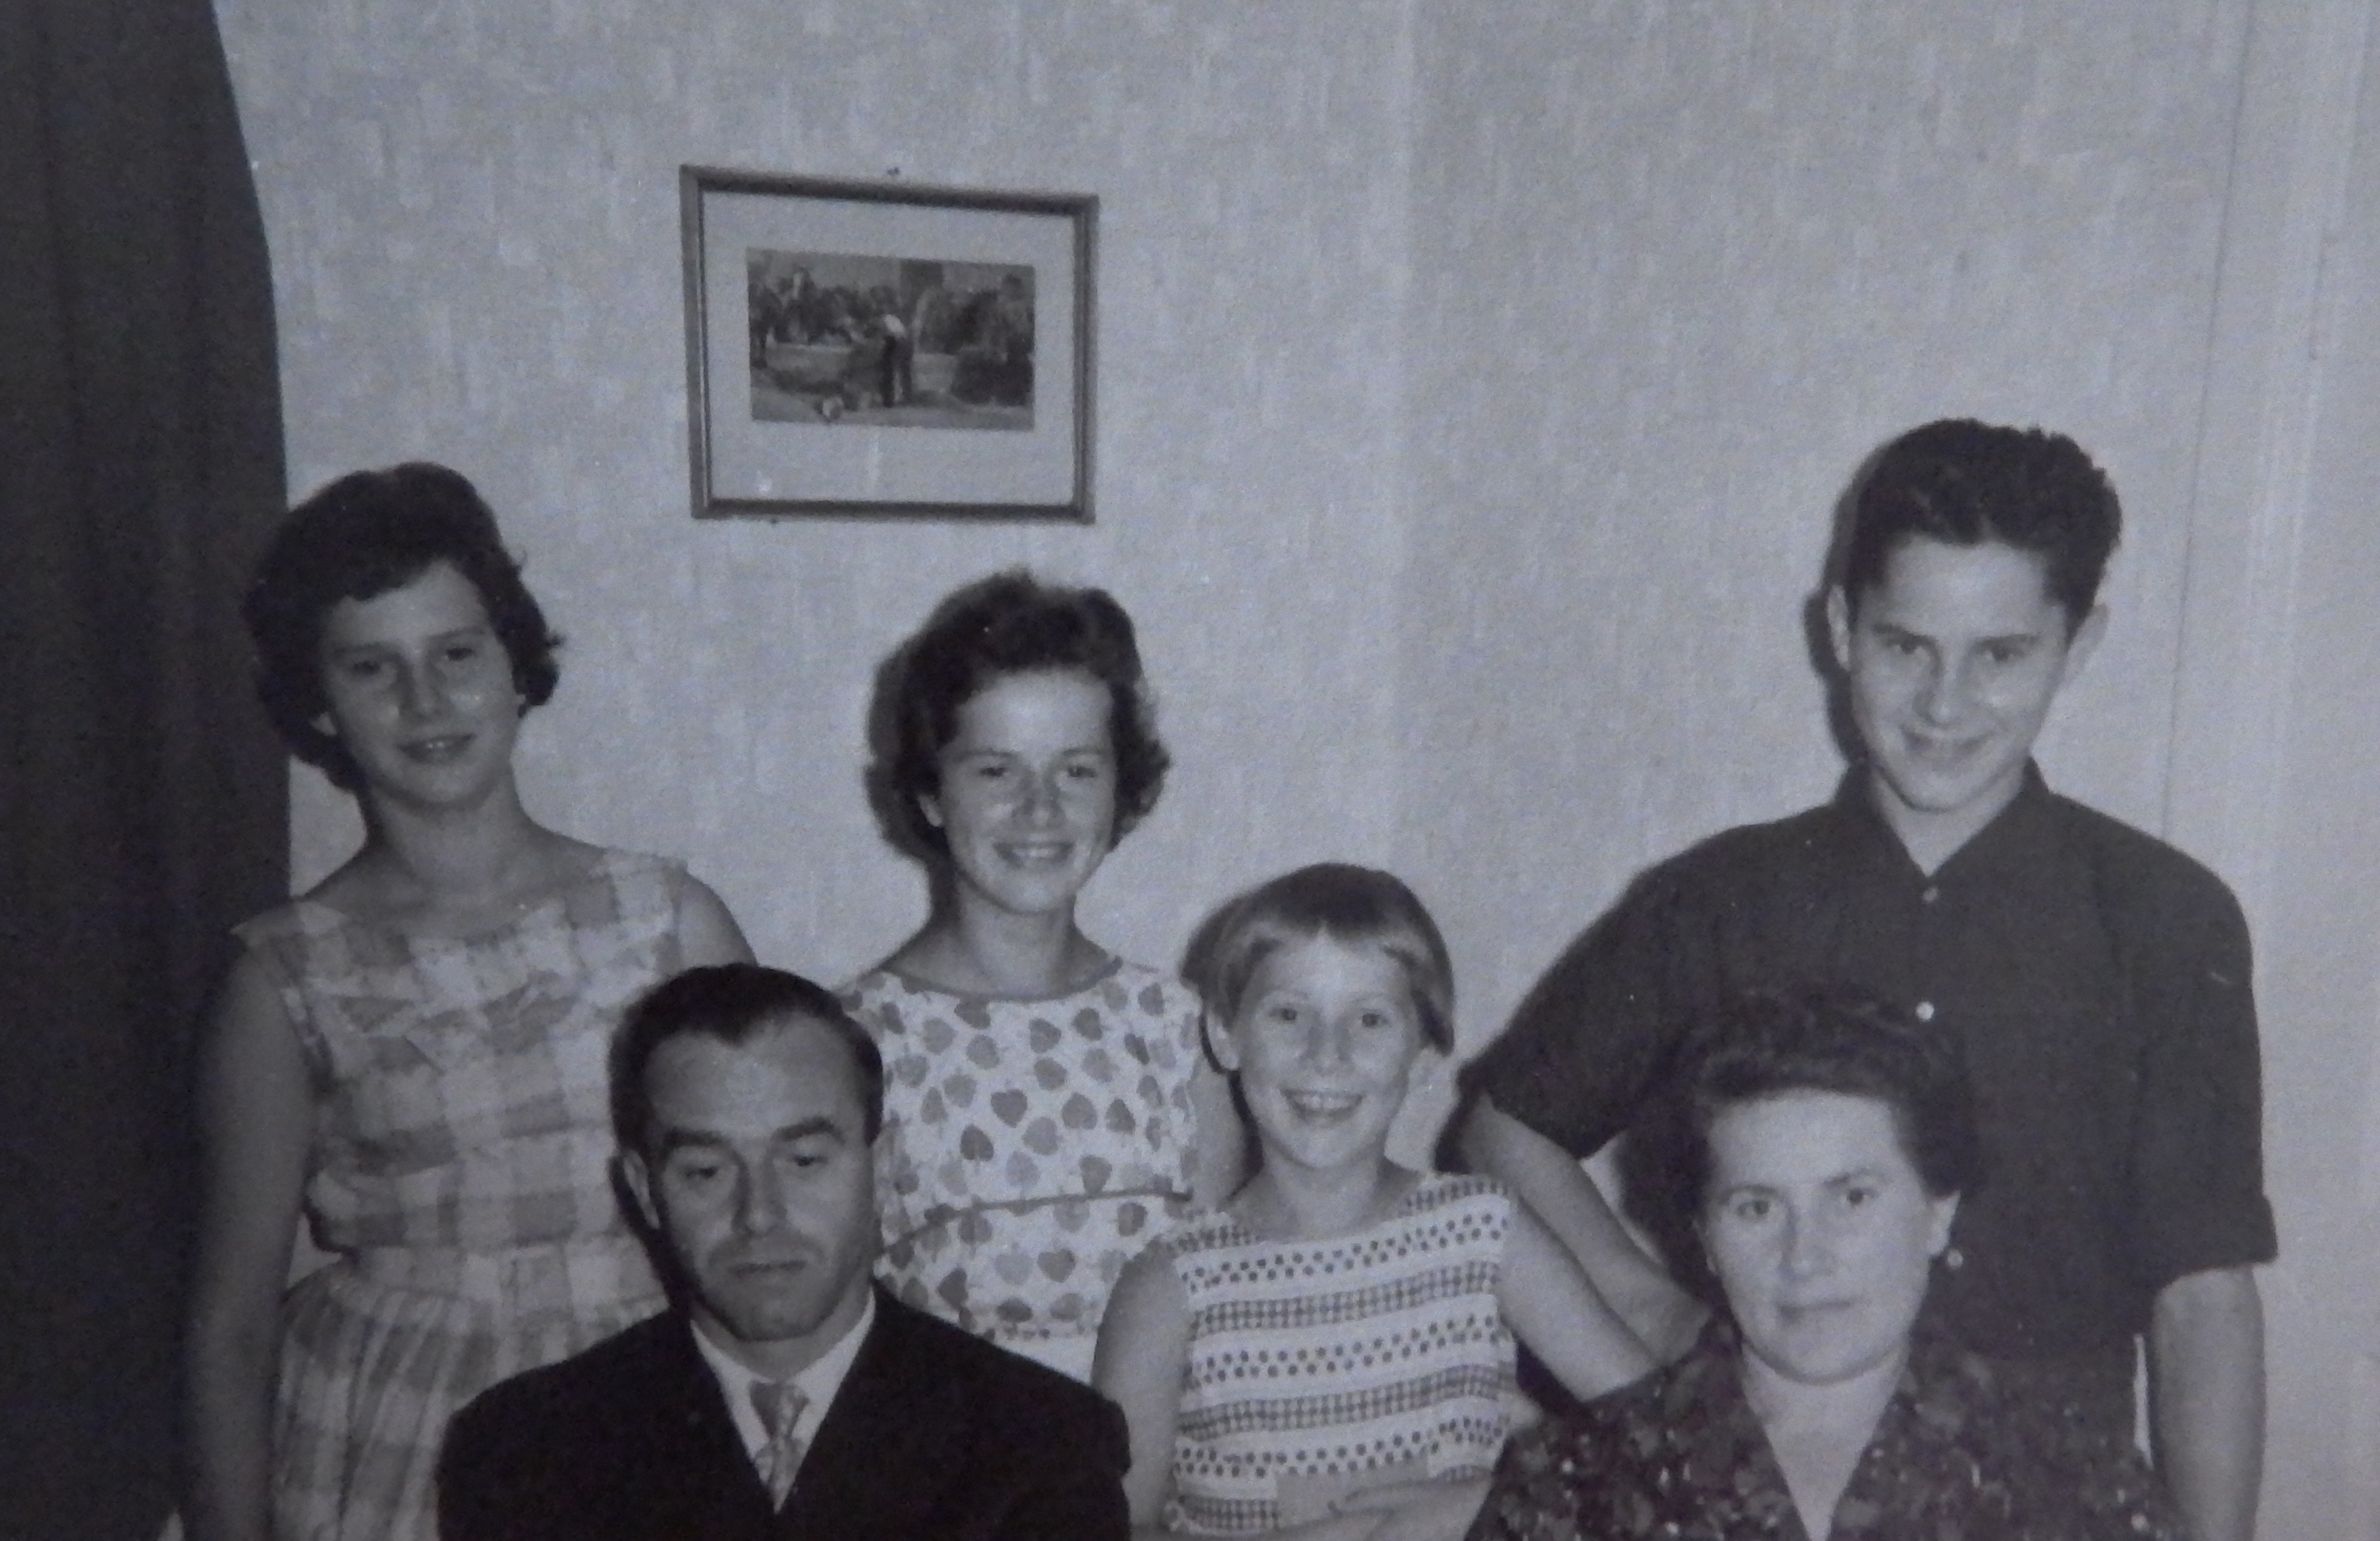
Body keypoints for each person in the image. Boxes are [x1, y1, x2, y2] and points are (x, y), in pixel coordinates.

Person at [1454, 420, 2272, 1541]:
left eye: (2000, 655)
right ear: (1841, 627)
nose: (1944, 702)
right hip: (1751, 1491)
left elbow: (2204, 1293)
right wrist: (1652, 1321)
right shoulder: (1723, 898)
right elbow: (1504, 1132)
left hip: (2048, 1499)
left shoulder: (2165, 918)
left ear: (2078, 644)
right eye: (1905, 646)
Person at [182, 463, 754, 1541]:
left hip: (647, 1401)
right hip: (399, 1434)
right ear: (319, 702)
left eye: (456, 654)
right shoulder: (282, 977)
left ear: (516, 667)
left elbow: (758, 1212)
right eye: (372, 668)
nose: (426, 701)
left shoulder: (668, 921)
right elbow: (232, 1325)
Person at [437, 963, 1131, 1541]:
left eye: (803, 1161)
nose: (759, 1214)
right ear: (646, 1192)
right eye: (706, 1171)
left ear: (883, 1166)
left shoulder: (1041, 1440)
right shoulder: (527, 1445)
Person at [1469, 987, 2184, 1541]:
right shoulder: (1574, 1481)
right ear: (1704, 1236)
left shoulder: (2073, 1475)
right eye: (1756, 1207)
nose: (1804, 1256)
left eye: (1852, 1197)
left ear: (1937, 1213)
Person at [1094, 865, 1653, 1539]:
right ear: (1224, 1033)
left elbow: (1665, 1431)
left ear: (1423, 1056)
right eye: (1288, 1014)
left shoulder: (1484, 1232)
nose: (1326, 1054)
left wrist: (1487, 1496)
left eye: (1369, 1019)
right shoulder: (1169, 1283)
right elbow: (1108, 1527)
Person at [844, 570, 1243, 1380]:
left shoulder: (1182, 1032)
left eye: (1077, 770)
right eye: (996, 770)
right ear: (930, 792)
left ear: (1122, 789)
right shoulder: (856, 1040)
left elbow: (1223, 1319)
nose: (1040, 808)